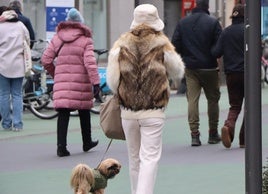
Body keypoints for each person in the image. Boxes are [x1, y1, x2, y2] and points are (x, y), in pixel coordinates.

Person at [106, 4, 184, 194]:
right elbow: (178, 71)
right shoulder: (162, 44)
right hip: (153, 110)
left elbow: (113, 82)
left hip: (128, 112)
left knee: (134, 158)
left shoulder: (120, 46)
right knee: (149, 158)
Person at [41, 8, 100, 157]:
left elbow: (46, 60)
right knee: (84, 110)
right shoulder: (86, 40)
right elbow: (90, 63)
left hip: (62, 81)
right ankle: (87, 142)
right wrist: (96, 83)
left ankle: (61, 147)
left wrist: (57, 74)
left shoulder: (57, 38)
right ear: (80, 23)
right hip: (81, 81)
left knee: (63, 113)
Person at [172, 0, 222, 146]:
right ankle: (213, 133)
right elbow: (219, 46)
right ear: (207, 6)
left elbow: (175, 44)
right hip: (210, 67)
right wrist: (212, 54)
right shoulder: (213, 23)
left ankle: (195, 135)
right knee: (213, 99)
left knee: (192, 100)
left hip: (190, 67)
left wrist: (186, 56)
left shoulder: (183, 22)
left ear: (195, 6)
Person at [211, 4, 245, 148]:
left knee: (235, 105)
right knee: (251, 107)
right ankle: (244, 139)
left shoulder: (226, 32)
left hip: (231, 74)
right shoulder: (248, 30)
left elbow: (216, 52)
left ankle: (228, 126)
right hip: (248, 74)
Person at [0, 8, 30, 132]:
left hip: (2, 64)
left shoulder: (0, 27)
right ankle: (18, 124)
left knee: (3, 95)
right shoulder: (21, 26)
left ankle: (6, 123)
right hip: (18, 65)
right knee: (17, 95)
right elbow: (27, 41)